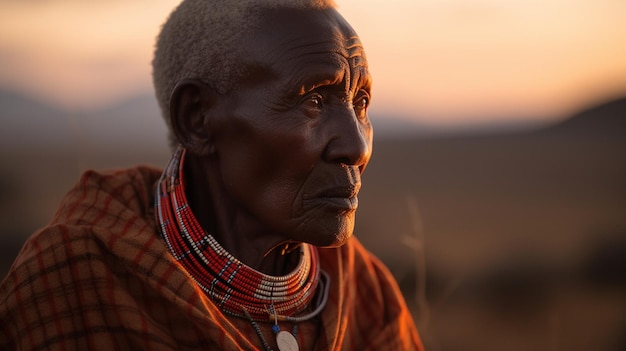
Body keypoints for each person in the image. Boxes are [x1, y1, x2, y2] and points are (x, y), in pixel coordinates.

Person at [0, 0, 423, 350]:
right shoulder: (82, 279)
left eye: (361, 103)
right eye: (312, 101)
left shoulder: (363, 290)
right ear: (197, 119)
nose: (357, 146)